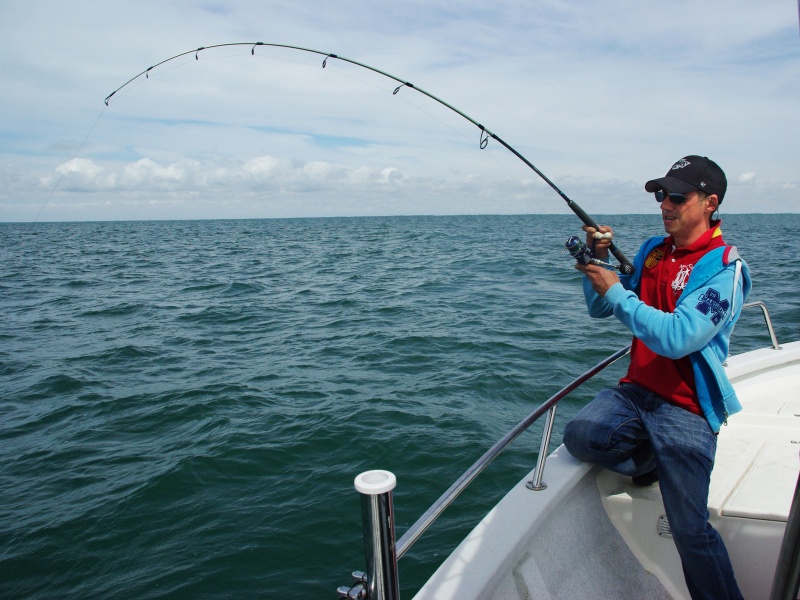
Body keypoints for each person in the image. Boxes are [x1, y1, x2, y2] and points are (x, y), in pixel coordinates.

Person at [562, 155, 751, 600]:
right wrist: (601, 265)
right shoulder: (652, 250)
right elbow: (601, 307)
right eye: (661, 194)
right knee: (581, 436)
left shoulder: (723, 268)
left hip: (687, 407)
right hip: (637, 392)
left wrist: (616, 290)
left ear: (710, 202)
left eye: (677, 197)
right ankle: (648, 460)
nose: (665, 204)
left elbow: (677, 337)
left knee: (689, 532)